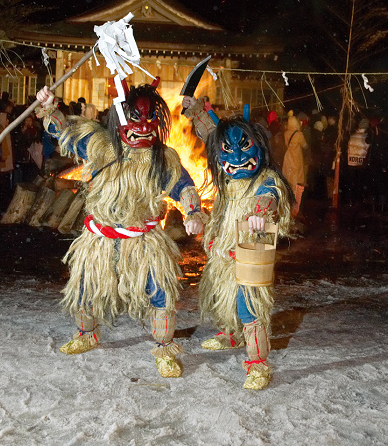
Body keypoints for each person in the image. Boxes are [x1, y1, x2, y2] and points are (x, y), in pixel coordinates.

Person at [35, 83, 205, 379]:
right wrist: (49, 107)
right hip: (99, 242)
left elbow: (183, 185)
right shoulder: (99, 144)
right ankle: (86, 334)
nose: (142, 127)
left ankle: (164, 348)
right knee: (86, 288)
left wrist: (192, 211)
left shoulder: (162, 158)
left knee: (160, 292)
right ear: (118, 118)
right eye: (134, 118)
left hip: (144, 242)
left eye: (149, 117)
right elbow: (63, 131)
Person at [182, 95, 293, 390]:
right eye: (228, 151)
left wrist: (261, 213)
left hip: (250, 254)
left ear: (258, 145)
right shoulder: (226, 183)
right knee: (223, 300)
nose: (237, 157)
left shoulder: (266, 178)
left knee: (249, 306)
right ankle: (230, 333)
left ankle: (258, 364)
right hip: (223, 254)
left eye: (244, 148)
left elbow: (271, 195)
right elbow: (210, 134)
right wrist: (201, 223)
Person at [282, 113, 308, 215]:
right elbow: (305, 145)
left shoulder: (286, 133)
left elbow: (285, 144)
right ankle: (295, 206)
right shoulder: (299, 134)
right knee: (297, 180)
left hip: (288, 157)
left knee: (288, 178)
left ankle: (288, 202)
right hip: (296, 157)